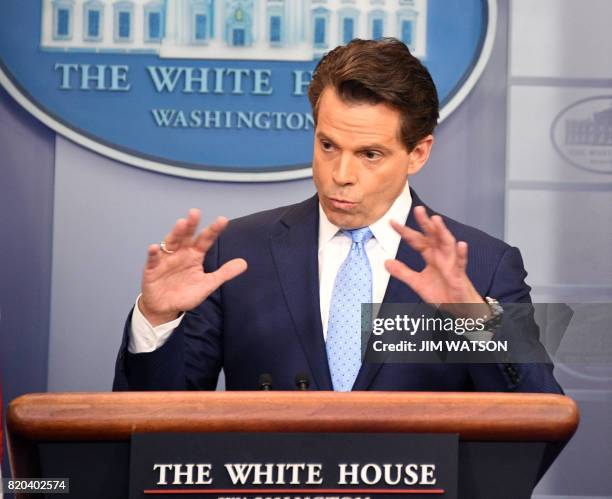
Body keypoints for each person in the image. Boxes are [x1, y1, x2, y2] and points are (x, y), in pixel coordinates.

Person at [113, 38, 561, 393]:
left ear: (418, 153)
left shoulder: (484, 267)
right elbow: (157, 421)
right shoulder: (237, 252)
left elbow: (538, 415)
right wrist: (157, 319)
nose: (339, 175)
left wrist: (473, 320)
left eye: (369, 154)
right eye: (328, 146)